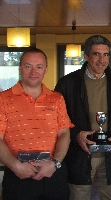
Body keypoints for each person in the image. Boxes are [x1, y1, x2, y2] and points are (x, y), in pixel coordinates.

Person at [54, 35, 111, 200]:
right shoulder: (67, 84)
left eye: (106, 55)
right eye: (96, 54)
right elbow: (57, 119)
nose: (102, 60)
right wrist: (77, 134)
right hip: (79, 156)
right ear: (86, 56)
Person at [0, 48, 73, 200]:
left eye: (39, 67)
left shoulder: (57, 98)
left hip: (53, 173)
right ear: (20, 68)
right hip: (17, 175)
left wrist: (55, 163)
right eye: (28, 66)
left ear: (45, 69)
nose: (33, 72)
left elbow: (64, 133)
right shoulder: (3, 99)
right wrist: (16, 166)